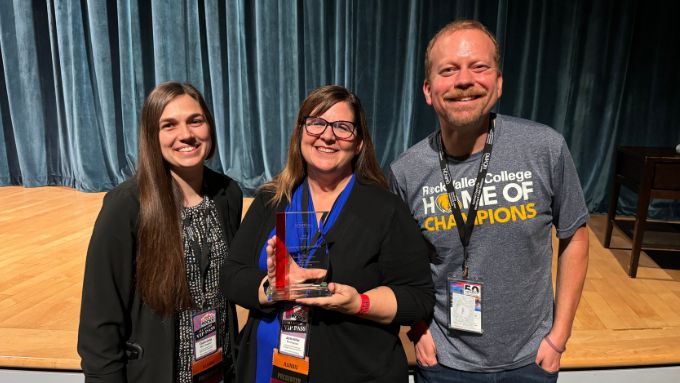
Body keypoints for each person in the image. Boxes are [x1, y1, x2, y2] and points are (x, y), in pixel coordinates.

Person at [388, 20, 589, 382]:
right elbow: (400, 264)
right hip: (446, 362)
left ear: (498, 83)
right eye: (448, 70)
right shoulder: (406, 172)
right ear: (428, 89)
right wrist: (418, 329)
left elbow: (575, 236)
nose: (464, 80)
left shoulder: (544, 148)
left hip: (531, 359)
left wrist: (558, 338)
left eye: (478, 67)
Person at [221, 85, 434, 383]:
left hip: (356, 370)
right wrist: (272, 287)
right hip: (268, 368)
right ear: (300, 133)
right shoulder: (271, 199)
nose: (328, 135)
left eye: (343, 127)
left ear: (359, 143)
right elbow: (231, 275)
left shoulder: (386, 209)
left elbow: (418, 297)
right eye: (316, 123)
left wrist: (358, 303)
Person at [78, 82, 243, 382]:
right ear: (152, 136)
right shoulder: (126, 207)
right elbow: (99, 324)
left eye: (196, 121)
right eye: (169, 125)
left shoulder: (227, 194)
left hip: (218, 372)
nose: (186, 135)